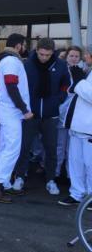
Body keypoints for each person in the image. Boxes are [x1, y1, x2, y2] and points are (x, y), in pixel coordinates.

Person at [12, 38, 69, 196]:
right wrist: (24, 107)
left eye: (48, 55)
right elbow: (18, 86)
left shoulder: (61, 65)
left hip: (51, 115)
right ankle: (20, 177)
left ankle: (51, 179)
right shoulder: (26, 65)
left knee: (51, 149)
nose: (44, 57)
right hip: (30, 114)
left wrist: (60, 98)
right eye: (41, 54)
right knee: (24, 147)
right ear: (36, 50)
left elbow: (66, 83)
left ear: (53, 53)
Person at [0, 33, 33, 203]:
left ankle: (1, 183)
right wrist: (24, 109)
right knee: (12, 147)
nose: (25, 48)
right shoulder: (11, 61)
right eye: (24, 45)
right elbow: (11, 86)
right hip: (11, 109)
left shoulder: (5, 60)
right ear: (19, 45)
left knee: (6, 146)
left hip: (7, 109)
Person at [58, 44, 92, 206]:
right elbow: (75, 91)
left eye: (87, 54)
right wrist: (76, 84)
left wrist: (79, 82)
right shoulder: (88, 71)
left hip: (89, 128)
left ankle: (90, 196)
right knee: (75, 161)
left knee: (90, 164)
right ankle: (77, 193)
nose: (85, 57)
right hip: (77, 126)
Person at [56, 46, 83, 179]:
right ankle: (55, 173)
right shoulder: (61, 71)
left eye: (76, 56)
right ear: (66, 57)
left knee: (72, 149)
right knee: (60, 145)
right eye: (71, 55)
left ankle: (69, 175)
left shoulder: (83, 73)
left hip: (75, 116)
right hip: (61, 113)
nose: (74, 58)